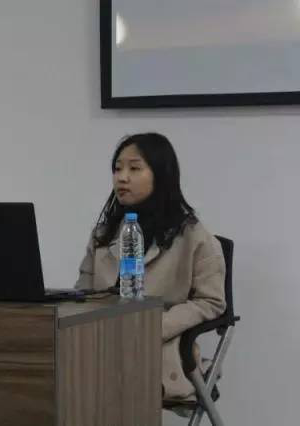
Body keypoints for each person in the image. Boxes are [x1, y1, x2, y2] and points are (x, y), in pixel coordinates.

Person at [75, 132, 226, 400]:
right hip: (101, 340)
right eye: (117, 169)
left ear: (161, 175)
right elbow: (82, 293)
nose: (122, 178)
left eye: (134, 169)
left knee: (90, 385)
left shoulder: (193, 236)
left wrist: (154, 326)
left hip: (156, 346)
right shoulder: (104, 234)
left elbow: (211, 301)